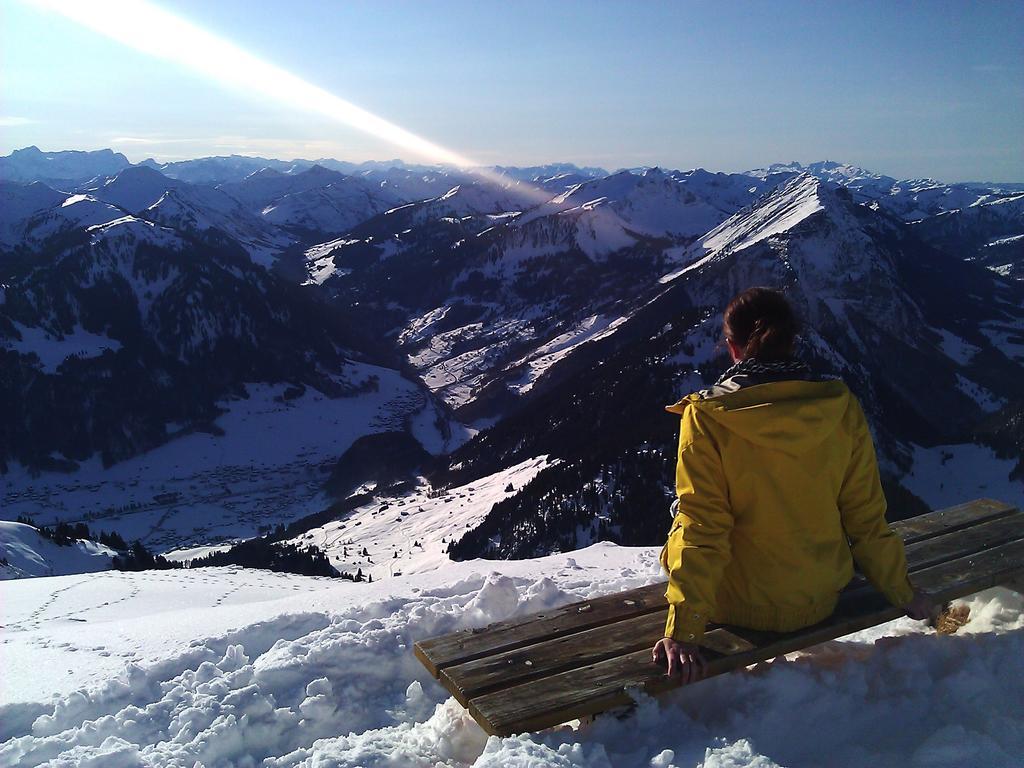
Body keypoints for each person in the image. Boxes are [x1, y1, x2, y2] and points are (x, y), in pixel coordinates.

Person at [652, 287, 934, 684]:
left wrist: (682, 633)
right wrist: (904, 592)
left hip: (736, 606)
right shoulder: (839, 407)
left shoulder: (707, 418)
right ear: (791, 341)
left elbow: (704, 528)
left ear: (732, 349)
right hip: (819, 597)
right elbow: (865, 516)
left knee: (682, 522)